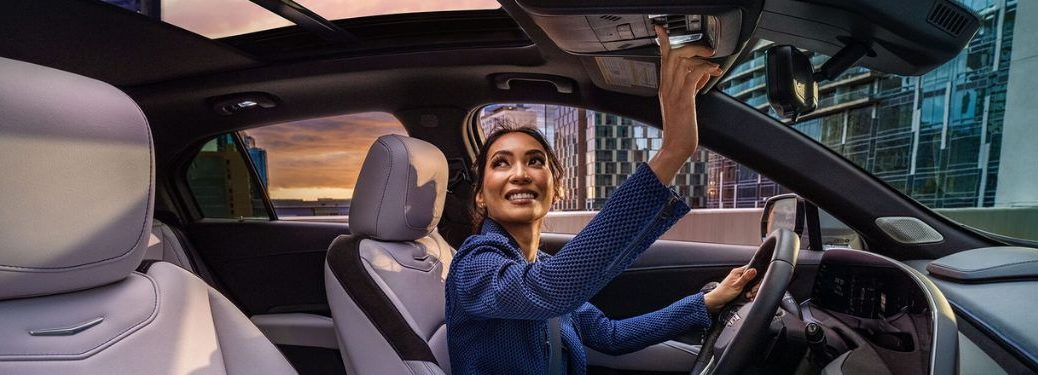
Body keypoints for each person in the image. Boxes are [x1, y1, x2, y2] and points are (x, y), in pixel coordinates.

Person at [445, 26, 759, 375]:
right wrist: (673, 151)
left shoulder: (541, 265)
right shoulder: (474, 264)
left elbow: (610, 335)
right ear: (480, 196)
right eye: (501, 163)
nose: (520, 173)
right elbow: (547, 289)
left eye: (535, 161)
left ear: (557, 188)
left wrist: (707, 302)